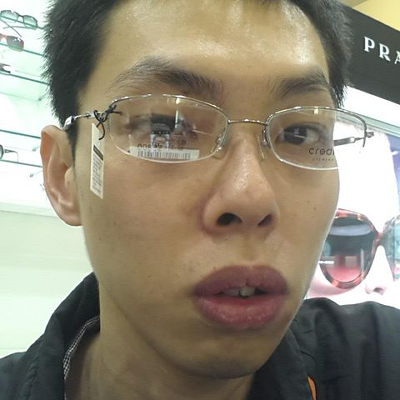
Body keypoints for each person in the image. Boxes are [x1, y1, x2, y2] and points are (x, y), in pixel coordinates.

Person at [1, 0, 400, 399]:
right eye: (166, 126)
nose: (252, 197)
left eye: (300, 132)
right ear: (64, 175)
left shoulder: (378, 360)